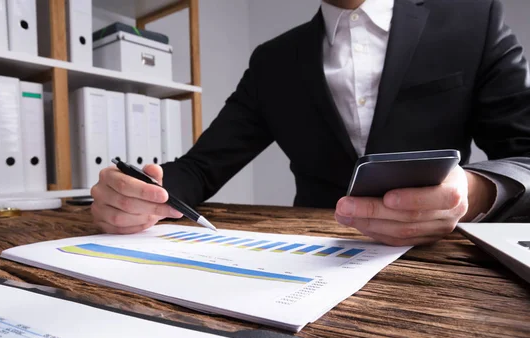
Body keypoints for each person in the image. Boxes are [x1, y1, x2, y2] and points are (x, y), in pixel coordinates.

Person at [91, 0, 530, 246]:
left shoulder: (474, 18)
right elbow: (202, 167)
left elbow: (524, 157)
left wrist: (471, 193)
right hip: (310, 253)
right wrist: (143, 193)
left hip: (440, 259)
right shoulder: (273, 60)